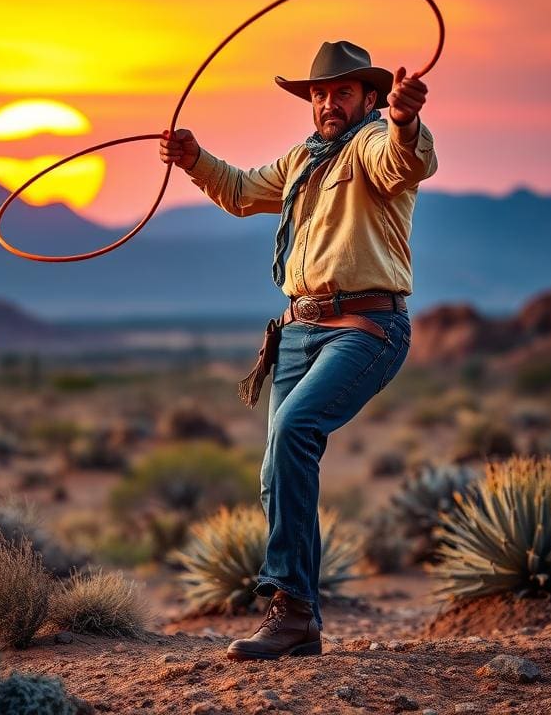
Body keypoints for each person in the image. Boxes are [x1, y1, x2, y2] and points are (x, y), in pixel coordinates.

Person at [158, 40, 437, 661]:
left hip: (366, 328)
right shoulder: (303, 160)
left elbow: (406, 160)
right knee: (278, 467)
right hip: (298, 332)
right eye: (319, 94)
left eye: (342, 92)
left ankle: (288, 610)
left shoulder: (371, 145)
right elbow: (238, 190)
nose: (329, 104)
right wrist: (194, 158)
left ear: (368, 96)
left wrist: (404, 118)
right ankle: (300, 618)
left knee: (293, 432)